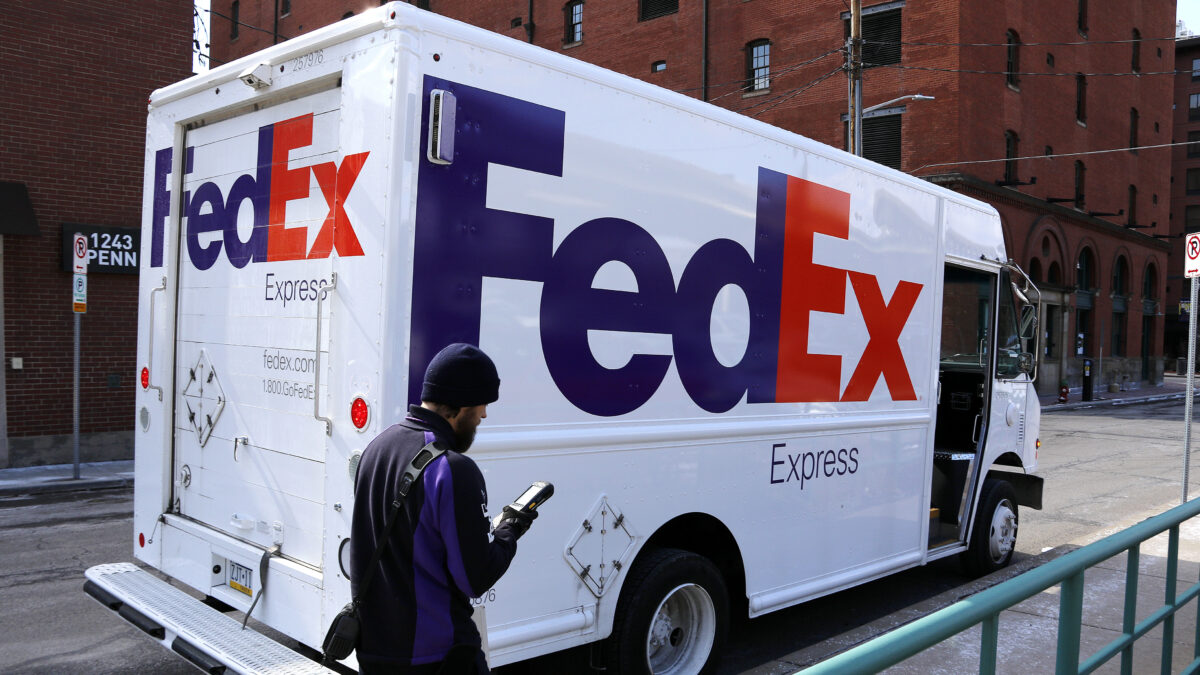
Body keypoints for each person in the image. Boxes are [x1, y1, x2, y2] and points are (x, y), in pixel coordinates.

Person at [351, 343, 536, 674]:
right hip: (437, 656)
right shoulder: (453, 469)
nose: (484, 415)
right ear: (461, 406)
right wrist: (510, 529)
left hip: (374, 650)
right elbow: (474, 577)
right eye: (481, 406)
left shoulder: (376, 448)